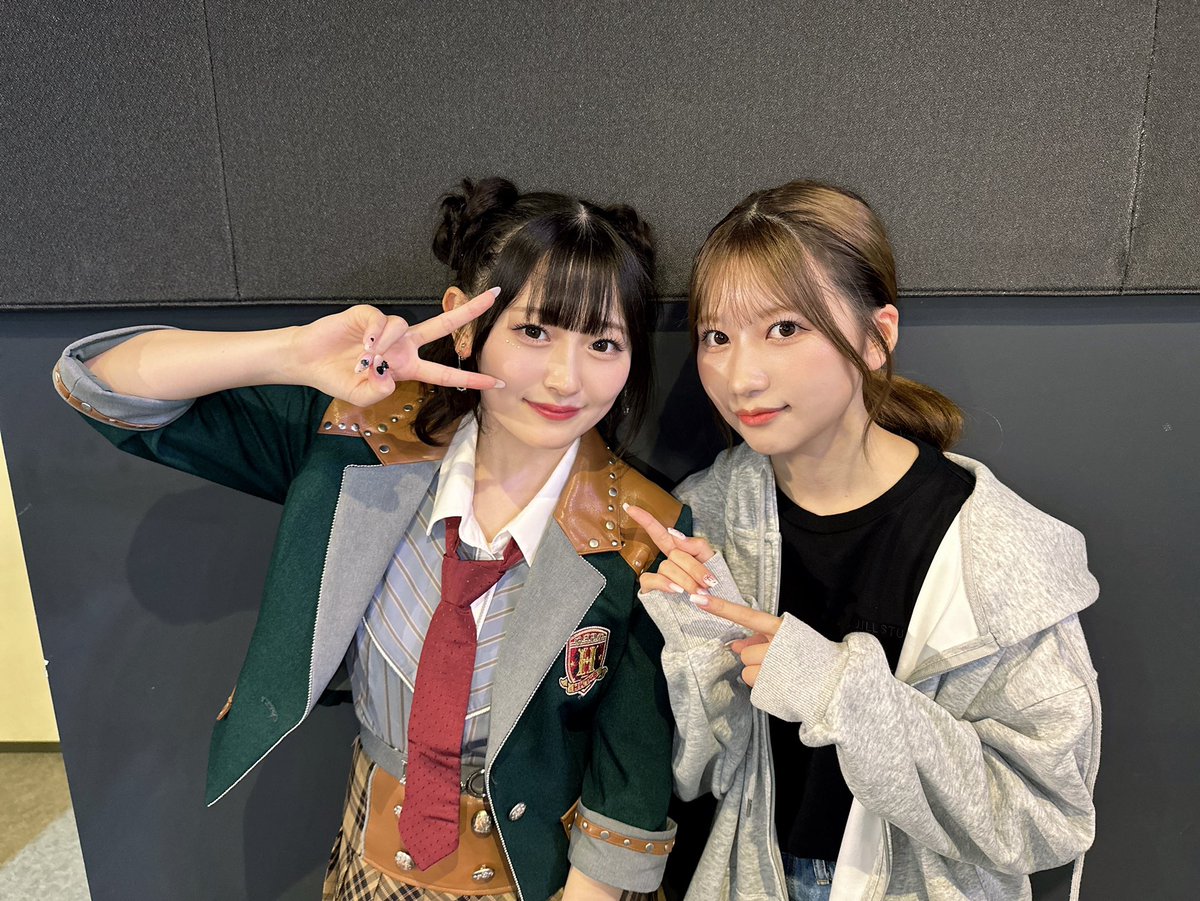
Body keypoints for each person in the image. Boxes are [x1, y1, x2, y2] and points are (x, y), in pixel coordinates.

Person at [53, 177, 686, 901]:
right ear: (465, 326)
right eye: (534, 331)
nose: (566, 378)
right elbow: (100, 386)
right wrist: (292, 352)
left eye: (603, 342)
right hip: (371, 854)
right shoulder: (358, 438)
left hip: (543, 878)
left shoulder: (641, 531)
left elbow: (630, 771)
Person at [627, 180, 1100, 901]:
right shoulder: (704, 515)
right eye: (716, 337)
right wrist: (702, 645)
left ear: (877, 337)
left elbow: (1044, 819)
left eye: (785, 328)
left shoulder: (992, 549)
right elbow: (697, 777)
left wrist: (841, 692)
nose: (740, 375)